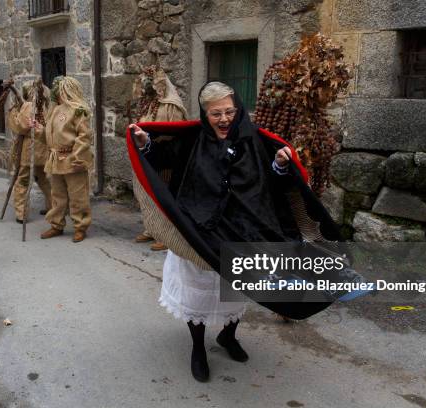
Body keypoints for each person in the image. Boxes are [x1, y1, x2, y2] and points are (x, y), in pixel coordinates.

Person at [128, 81, 343, 382]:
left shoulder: (254, 140)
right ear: (205, 114)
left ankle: (228, 336)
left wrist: (281, 164)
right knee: (199, 293)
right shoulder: (193, 140)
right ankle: (198, 348)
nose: (224, 119)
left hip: (244, 231)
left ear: (238, 109)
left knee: (239, 289)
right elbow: (162, 159)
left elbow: (275, 182)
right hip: (199, 231)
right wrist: (144, 143)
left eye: (230, 111)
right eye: (216, 113)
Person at [132, 66, 188, 251]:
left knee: (162, 194)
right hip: (144, 154)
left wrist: (158, 142)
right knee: (145, 193)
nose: (146, 85)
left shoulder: (171, 105)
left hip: (162, 157)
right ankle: (151, 229)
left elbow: (176, 131)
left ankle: (167, 234)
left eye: (150, 81)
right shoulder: (146, 104)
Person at [38, 76, 93, 243]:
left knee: (78, 197)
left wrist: (77, 156)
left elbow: (84, 136)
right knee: (58, 195)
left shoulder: (79, 110)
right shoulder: (55, 109)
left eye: (59, 90)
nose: (56, 94)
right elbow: (49, 136)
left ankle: (80, 226)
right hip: (56, 159)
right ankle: (56, 225)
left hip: (72, 159)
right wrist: (39, 130)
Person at [6, 81, 52, 223]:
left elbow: (20, 127)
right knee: (45, 179)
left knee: (23, 181)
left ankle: (21, 213)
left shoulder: (28, 106)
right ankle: (53, 207)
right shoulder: (48, 106)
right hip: (44, 148)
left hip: (29, 149)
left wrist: (13, 112)